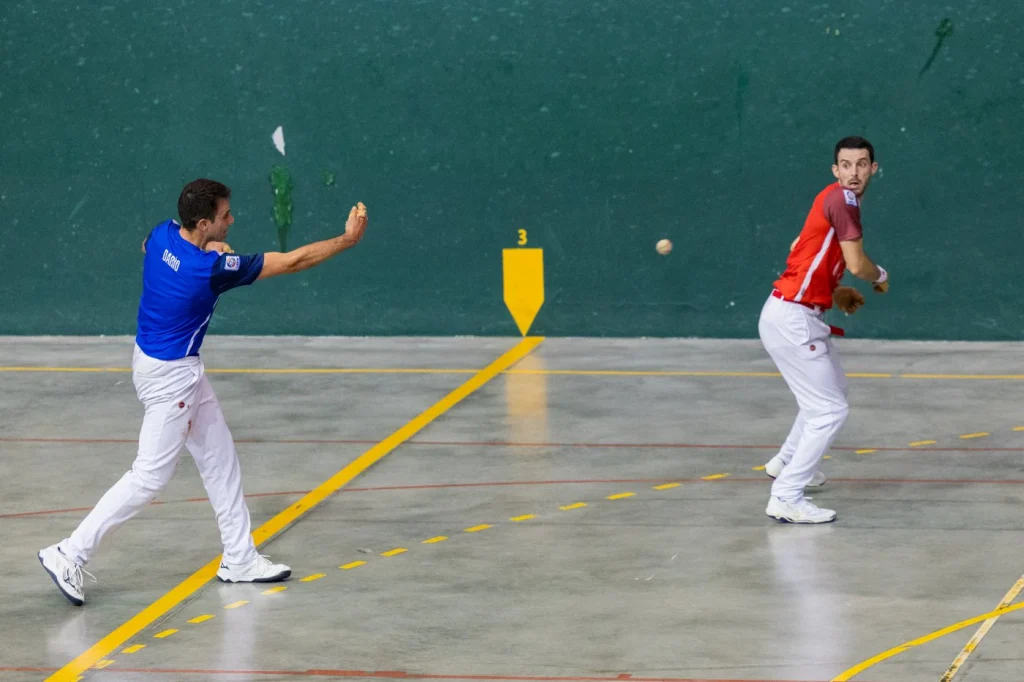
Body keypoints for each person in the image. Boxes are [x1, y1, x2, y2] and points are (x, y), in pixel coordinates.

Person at [38, 179, 368, 604]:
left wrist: (205, 247)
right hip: (172, 378)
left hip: (159, 362)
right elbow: (291, 261)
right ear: (202, 222)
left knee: (219, 458)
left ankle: (240, 558)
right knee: (148, 476)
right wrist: (346, 239)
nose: (232, 220)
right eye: (225, 216)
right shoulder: (210, 271)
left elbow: (150, 250)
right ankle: (69, 553)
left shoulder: (162, 233)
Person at [759, 136, 888, 524]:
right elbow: (856, 262)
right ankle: (785, 495)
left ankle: (786, 462)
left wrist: (836, 292)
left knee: (831, 393)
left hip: (797, 314)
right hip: (792, 319)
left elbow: (804, 254)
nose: (854, 173)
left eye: (861, 164)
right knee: (830, 410)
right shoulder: (843, 201)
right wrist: (879, 276)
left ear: (873, 169)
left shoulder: (831, 200)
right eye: (846, 165)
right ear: (836, 171)